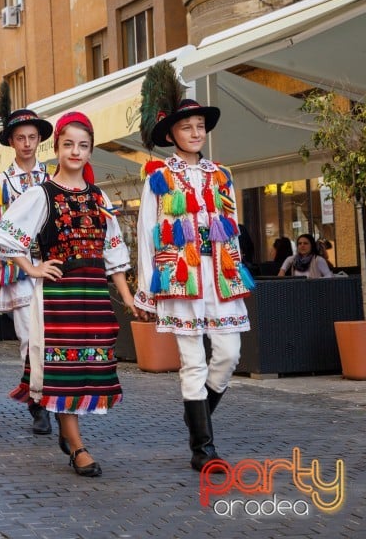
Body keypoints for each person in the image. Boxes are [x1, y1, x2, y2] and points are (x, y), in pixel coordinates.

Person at [0, 112, 133, 477]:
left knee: (87, 364)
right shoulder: (42, 193)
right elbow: (4, 235)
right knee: (63, 368)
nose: (75, 151)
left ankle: (70, 437)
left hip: (94, 293)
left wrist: (128, 298)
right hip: (59, 292)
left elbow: (114, 252)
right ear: (57, 148)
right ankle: (77, 445)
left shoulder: (98, 196)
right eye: (68, 144)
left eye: (83, 146)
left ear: (90, 151)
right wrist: (33, 268)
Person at [133, 61, 253, 472]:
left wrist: (236, 268)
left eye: (200, 125)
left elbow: (232, 230)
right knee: (193, 362)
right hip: (179, 275)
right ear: (171, 134)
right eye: (188, 127)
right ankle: (204, 449)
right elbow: (147, 230)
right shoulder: (158, 176)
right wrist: (148, 290)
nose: (196, 132)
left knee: (229, 354)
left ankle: (194, 417)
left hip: (219, 274)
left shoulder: (222, 175)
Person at [0, 81, 54, 435]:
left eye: (32, 137)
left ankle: (51, 395)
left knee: (52, 336)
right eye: (20, 137)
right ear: (11, 142)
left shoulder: (53, 179)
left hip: (52, 267)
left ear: (39, 140)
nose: (26, 143)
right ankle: (37, 402)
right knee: (27, 336)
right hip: (18, 270)